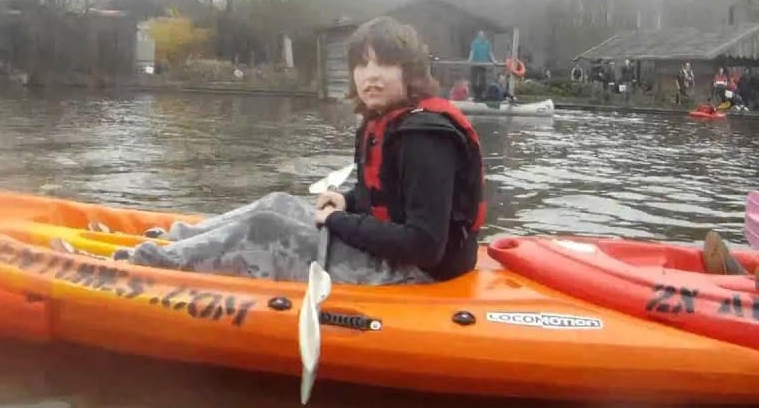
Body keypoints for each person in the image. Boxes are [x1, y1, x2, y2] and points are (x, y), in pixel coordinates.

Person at [127, 16, 485, 285]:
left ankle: (149, 267)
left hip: (420, 273)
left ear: (411, 73)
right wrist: (347, 201)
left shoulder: (425, 138)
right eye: (362, 64)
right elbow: (386, 195)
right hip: (397, 251)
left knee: (265, 229)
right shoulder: (386, 121)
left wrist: (337, 221)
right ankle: (175, 241)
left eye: (384, 64)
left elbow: (425, 245)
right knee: (276, 204)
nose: (370, 76)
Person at [467, 30, 495, 98]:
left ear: (484, 36)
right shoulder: (475, 43)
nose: (481, 37)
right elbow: (472, 51)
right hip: (475, 63)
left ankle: (481, 94)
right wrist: (469, 60)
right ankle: (475, 94)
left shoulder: (487, 43)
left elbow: (490, 52)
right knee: (474, 80)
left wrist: (494, 60)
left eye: (482, 35)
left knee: (483, 80)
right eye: (480, 35)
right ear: (478, 36)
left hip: (483, 64)